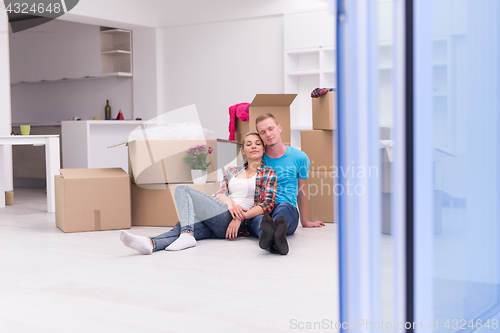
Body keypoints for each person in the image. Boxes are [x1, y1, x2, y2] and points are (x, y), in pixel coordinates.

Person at [120, 132, 277, 255]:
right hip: (223, 214)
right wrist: (230, 203)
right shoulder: (232, 170)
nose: (253, 146)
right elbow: (220, 193)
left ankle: (187, 235)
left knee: (183, 190)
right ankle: (151, 243)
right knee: (184, 225)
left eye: (258, 144)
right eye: (249, 144)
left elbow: (267, 205)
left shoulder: (269, 173)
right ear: (243, 150)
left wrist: (239, 217)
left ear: (263, 148)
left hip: (238, 222)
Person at [246, 113, 325, 255]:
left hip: (288, 211)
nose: (268, 134)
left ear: (279, 128)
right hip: (262, 208)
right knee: (259, 219)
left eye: (271, 128)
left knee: (283, 210)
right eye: (263, 132)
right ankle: (275, 239)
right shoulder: (258, 157)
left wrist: (305, 222)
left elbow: (302, 191)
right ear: (259, 136)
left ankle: (273, 231)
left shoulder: (300, 157)